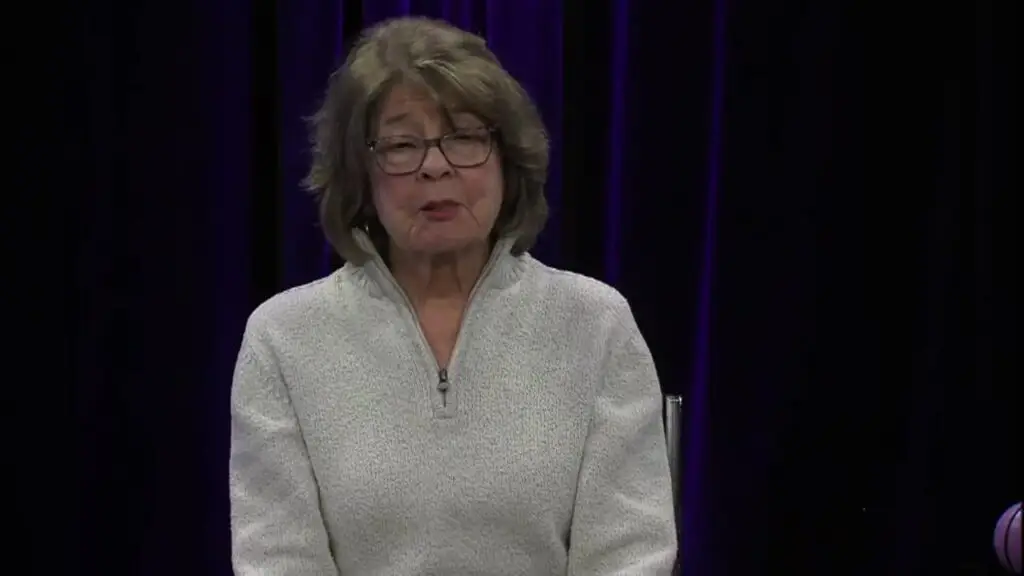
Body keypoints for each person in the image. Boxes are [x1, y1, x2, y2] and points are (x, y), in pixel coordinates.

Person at [229, 15, 677, 576]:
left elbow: (629, 556)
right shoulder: (283, 338)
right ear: (361, 175)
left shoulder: (595, 323)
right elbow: (277, 560)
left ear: (507, 161)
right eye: (401, 145)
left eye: (464, 137)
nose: (436, 167)